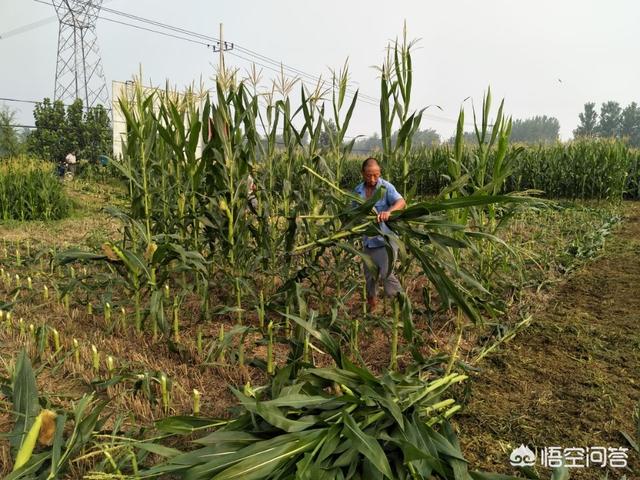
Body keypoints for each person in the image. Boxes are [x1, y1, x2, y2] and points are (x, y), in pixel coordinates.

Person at [354, 157, 406, 310]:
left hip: (386, 241)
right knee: (370, 277)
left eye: (376, 175)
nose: (372, 178)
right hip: (369, 241)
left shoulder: (386, 187)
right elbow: (353, 211)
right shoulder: (358, 191)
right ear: (362, 173)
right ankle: (372, 308)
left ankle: (402, 306)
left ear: (380, 173)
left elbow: (401, 202)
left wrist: (388, 212)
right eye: (369, 175)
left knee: (386, 274)